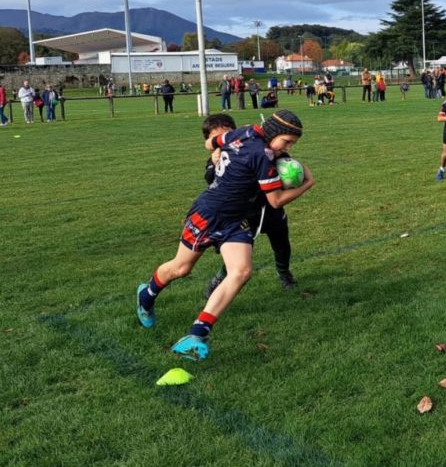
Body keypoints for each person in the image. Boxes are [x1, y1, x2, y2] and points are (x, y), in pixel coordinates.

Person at [134, 110, 315, 361]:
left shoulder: (244, 131)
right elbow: (275, 201)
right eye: (287, 142)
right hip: (208, 214)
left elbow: (212, 142)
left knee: (241, 271)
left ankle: (197, 334)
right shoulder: (259, 154)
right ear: (273, 133)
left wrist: (218, 153)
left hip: (235, 219)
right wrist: (307, 183)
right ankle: (146, 295)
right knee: (181, 268)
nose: (289, 148)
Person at [201, 114, 299, 296]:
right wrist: (214, 165)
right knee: (240, 251)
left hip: (270, 209)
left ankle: (284, 273)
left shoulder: (261, 150)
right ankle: (220, 277)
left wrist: (289, 171)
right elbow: (210, 180)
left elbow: (281, 164)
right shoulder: (219, 157)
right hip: (245, 213)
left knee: (282, 244)